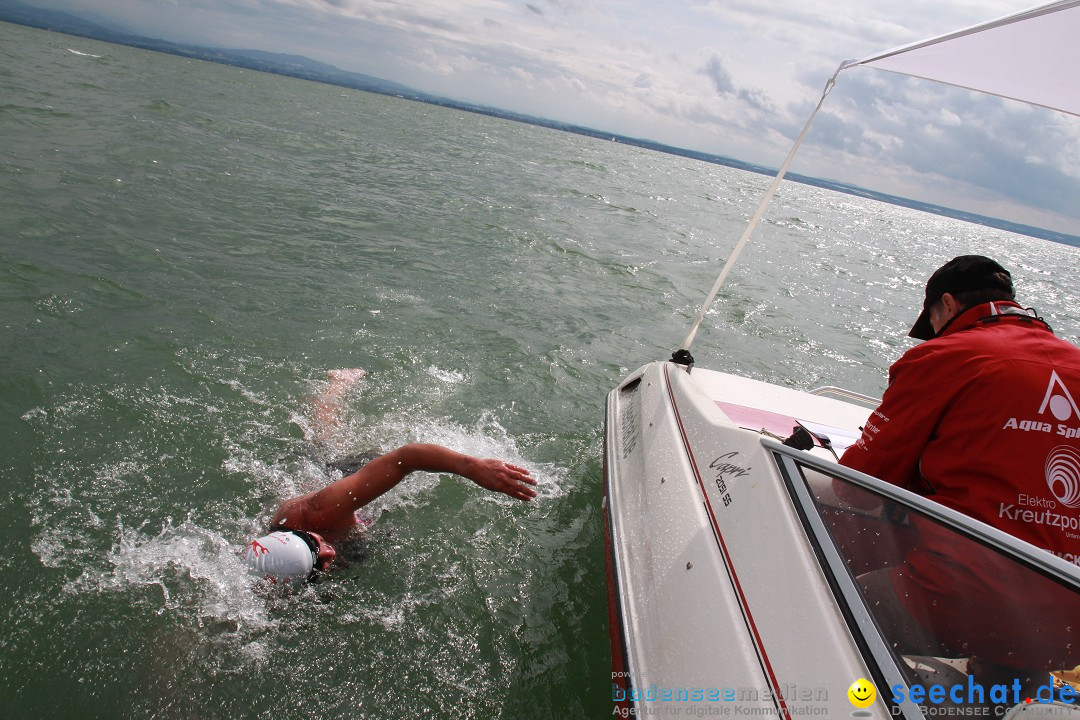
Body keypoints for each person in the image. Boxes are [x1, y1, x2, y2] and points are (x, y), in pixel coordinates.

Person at [837, 255, 1080, 679]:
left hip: (958, 598)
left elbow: (856, 486)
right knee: (1014, 656)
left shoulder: (947, 355)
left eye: (931, 320)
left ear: (946, 305)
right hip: (1068, 624)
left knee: (823, 604)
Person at [243, 370, 538, 583]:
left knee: (326, 441)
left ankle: (336, 386)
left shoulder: (320, 512)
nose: (328, 553)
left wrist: (472, 467)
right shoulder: (267, 568)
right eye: (317, 563)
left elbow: (405, 458)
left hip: (332, 484)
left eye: (318, 546)